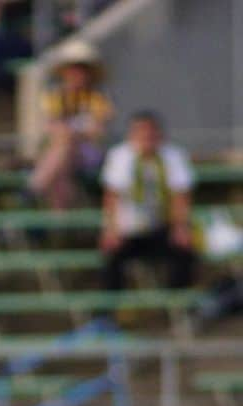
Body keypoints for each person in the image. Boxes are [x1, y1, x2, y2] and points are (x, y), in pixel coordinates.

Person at [101, 111, 197, 292]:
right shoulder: (120, 156)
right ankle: (106, 314)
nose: (147, 138)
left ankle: (178, 306)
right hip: (128, 229)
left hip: (162, 225)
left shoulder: (173, 155)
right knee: (111, 259)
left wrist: (181, 227)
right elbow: (111, 195)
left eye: (151, 133)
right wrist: (111, 230)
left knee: (184, 252)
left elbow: (181, 195)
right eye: (141, 133)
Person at [29, 39, 112, 211]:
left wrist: (71, 134)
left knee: (63, 147)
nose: (77, 74)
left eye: (81, 69)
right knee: (62, 163)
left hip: (88, 153)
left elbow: (96, 132)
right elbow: (50, 128)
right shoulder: (54, 98)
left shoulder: (98, 99)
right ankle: (60, 217)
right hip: (61, 152)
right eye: (73, 69)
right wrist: (70, 134)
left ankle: (33, 188)